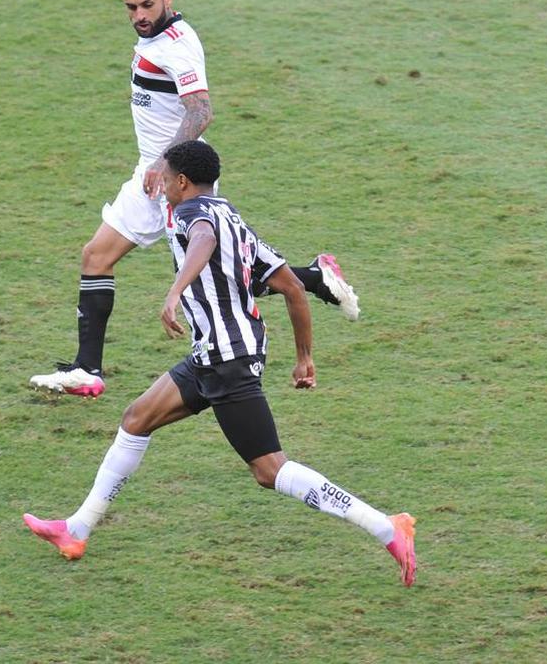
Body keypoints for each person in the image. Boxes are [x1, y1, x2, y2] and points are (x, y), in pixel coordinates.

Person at [23, 141, 416, 587]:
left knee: (270, 470)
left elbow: (204, 240)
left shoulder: (194, 216)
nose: (163, 186)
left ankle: (388, 527)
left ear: (183, 182)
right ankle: (77, 530)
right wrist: (304, 358)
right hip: (212, 355)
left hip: (229, 361)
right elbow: (293, 287)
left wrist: (175, 290)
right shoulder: (235, 219)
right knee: (135, 420)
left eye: (167, 179)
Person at [29, 0, 359, 399]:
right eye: (131, 8)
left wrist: (166, 164)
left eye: (148, 4)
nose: (139, 16)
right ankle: (87, 369)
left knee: (216, 280)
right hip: (151, 175)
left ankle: (312, 280)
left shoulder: (178, 46)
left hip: (177, 181)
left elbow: (201, 110)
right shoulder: (154, 38)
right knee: (96, 256)